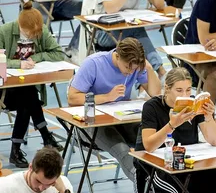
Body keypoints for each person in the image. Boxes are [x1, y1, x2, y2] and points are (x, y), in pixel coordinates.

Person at [134, 67, 216, 193]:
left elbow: (214, 140)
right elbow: (149, 146)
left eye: (188, 90)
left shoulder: (193, 104)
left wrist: (208, 117)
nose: (185, 95)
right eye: (179, 90)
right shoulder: (152, 107)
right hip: (159, 170)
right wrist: (171, 125)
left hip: (189, 166)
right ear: (168, 89)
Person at [68, 37, 161, 182]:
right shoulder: (93, 64)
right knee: (123, 150)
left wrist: (148, 68)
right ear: (117, 56)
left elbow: (155, 94)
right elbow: (73, 98)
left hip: (121, 119)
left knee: (152, 140)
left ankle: (161, 185)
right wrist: (106, 97)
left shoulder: (135, 66)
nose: (130, 72)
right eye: (127, 67)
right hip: (93, 123)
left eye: (134, 69)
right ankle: (149, 191)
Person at [0, 0, 65, 168]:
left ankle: (17, 150)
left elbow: (58, 53)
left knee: (27, 97)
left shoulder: (40, 30)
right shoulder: (4, 31)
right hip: (4, 92)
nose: (32, 37)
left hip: (26, 89)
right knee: (28, 97)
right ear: (20, 26)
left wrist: (35, 57)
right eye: (29, 34)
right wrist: (18, 63)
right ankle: (45, 136)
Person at [95, 0, 167, 80]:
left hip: (129, 26)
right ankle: (159, 70)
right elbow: (110, 9)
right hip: (103, 32)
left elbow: (160, 5)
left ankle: (143, 85)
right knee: (135, 31)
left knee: (134, 30)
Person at [0, 147, 78, 193]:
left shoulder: (63, 185)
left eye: (49, 184)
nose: (41, 187)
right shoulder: (5, 187)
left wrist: (63, 192)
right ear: (30, 167)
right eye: (38, 181)